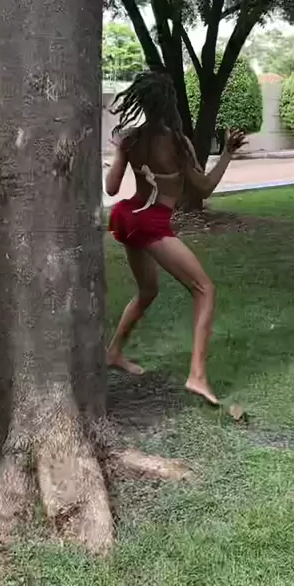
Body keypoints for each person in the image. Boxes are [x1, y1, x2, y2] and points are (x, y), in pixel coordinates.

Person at [104, 70, 245, 405]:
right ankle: (197, 376)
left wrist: (121, 153)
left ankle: (113, 353)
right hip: (150, 222)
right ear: (171, 104)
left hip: (127, 217)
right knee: (205, 289)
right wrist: (227, 152)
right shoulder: (178, 144)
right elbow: (204, 188)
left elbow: (110, 188)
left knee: (148, 291)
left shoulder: (131, 139)